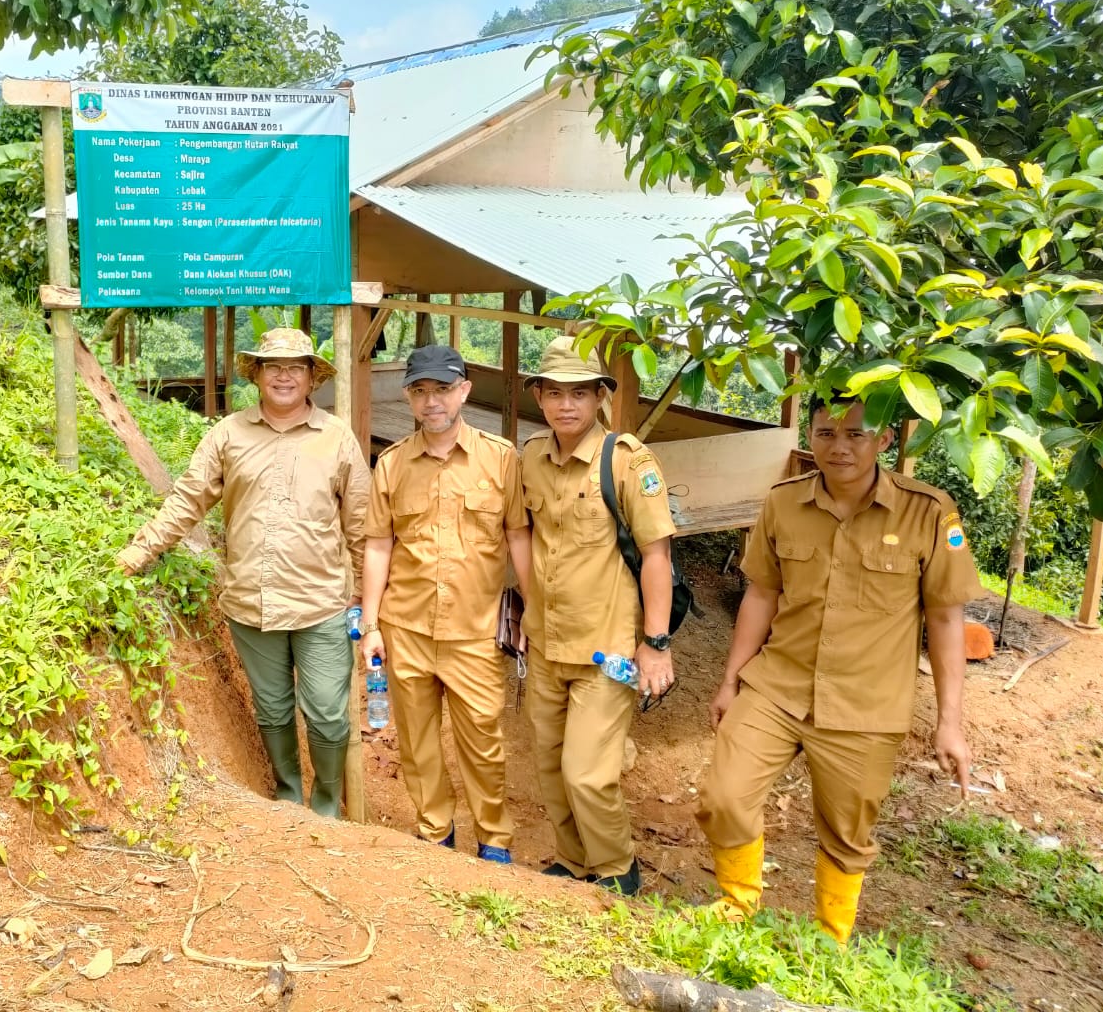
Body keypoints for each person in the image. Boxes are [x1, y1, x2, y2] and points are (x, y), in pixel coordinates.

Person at [695, 395, 981, 943]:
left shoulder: (928, 512)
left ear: (887, 439)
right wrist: (731, 679)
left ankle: (831, 940)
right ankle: (736, 906)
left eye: (856, 434)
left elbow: (945, 620)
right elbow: (761, 594)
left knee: (848, 835)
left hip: (866, 705)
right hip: (777, 685)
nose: (840, 447)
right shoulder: (783, 503)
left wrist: (950, 723)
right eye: (826, 433)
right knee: (723, 797)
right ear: (810, 434)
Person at [115, 327, 370, 818]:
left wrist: (363, 599)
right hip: (250, 601)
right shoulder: (228, 434)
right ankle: (288, 796)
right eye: (273, 367)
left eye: (296, 367)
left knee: (327, 714)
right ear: (257, 374)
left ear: (313, 378)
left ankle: (325, 806)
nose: (284, 376)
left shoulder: (337, 438)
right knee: (272, 709)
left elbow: (360, 524)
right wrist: (136, 555)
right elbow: (187, 500)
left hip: (321, 603)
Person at [357, 344, 531, 863]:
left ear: (464, 392)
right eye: (421, 390)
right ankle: (436, 835)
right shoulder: (391, 465)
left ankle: (494, 842)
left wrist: (536, 611)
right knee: (418, 744)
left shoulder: (500, 460)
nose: (432, 401)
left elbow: (518, 537)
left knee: (483, 742)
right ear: (409, 397)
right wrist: (370, 625)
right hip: (405, 627)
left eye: (442, 389)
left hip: (473, 630)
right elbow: (378, 545)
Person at [519, 336, 676, 896]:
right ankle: (572, 860)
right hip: (545, 642)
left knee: (587, 772)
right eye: (556, 392)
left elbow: (657, 554)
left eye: (580, 394)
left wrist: (655, 643)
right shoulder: (532, 458)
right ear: (539, 396)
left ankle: (615, 870)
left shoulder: (627, 461)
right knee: (550, 765)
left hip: (606, 648)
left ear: (600, 397)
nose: (567, 405)